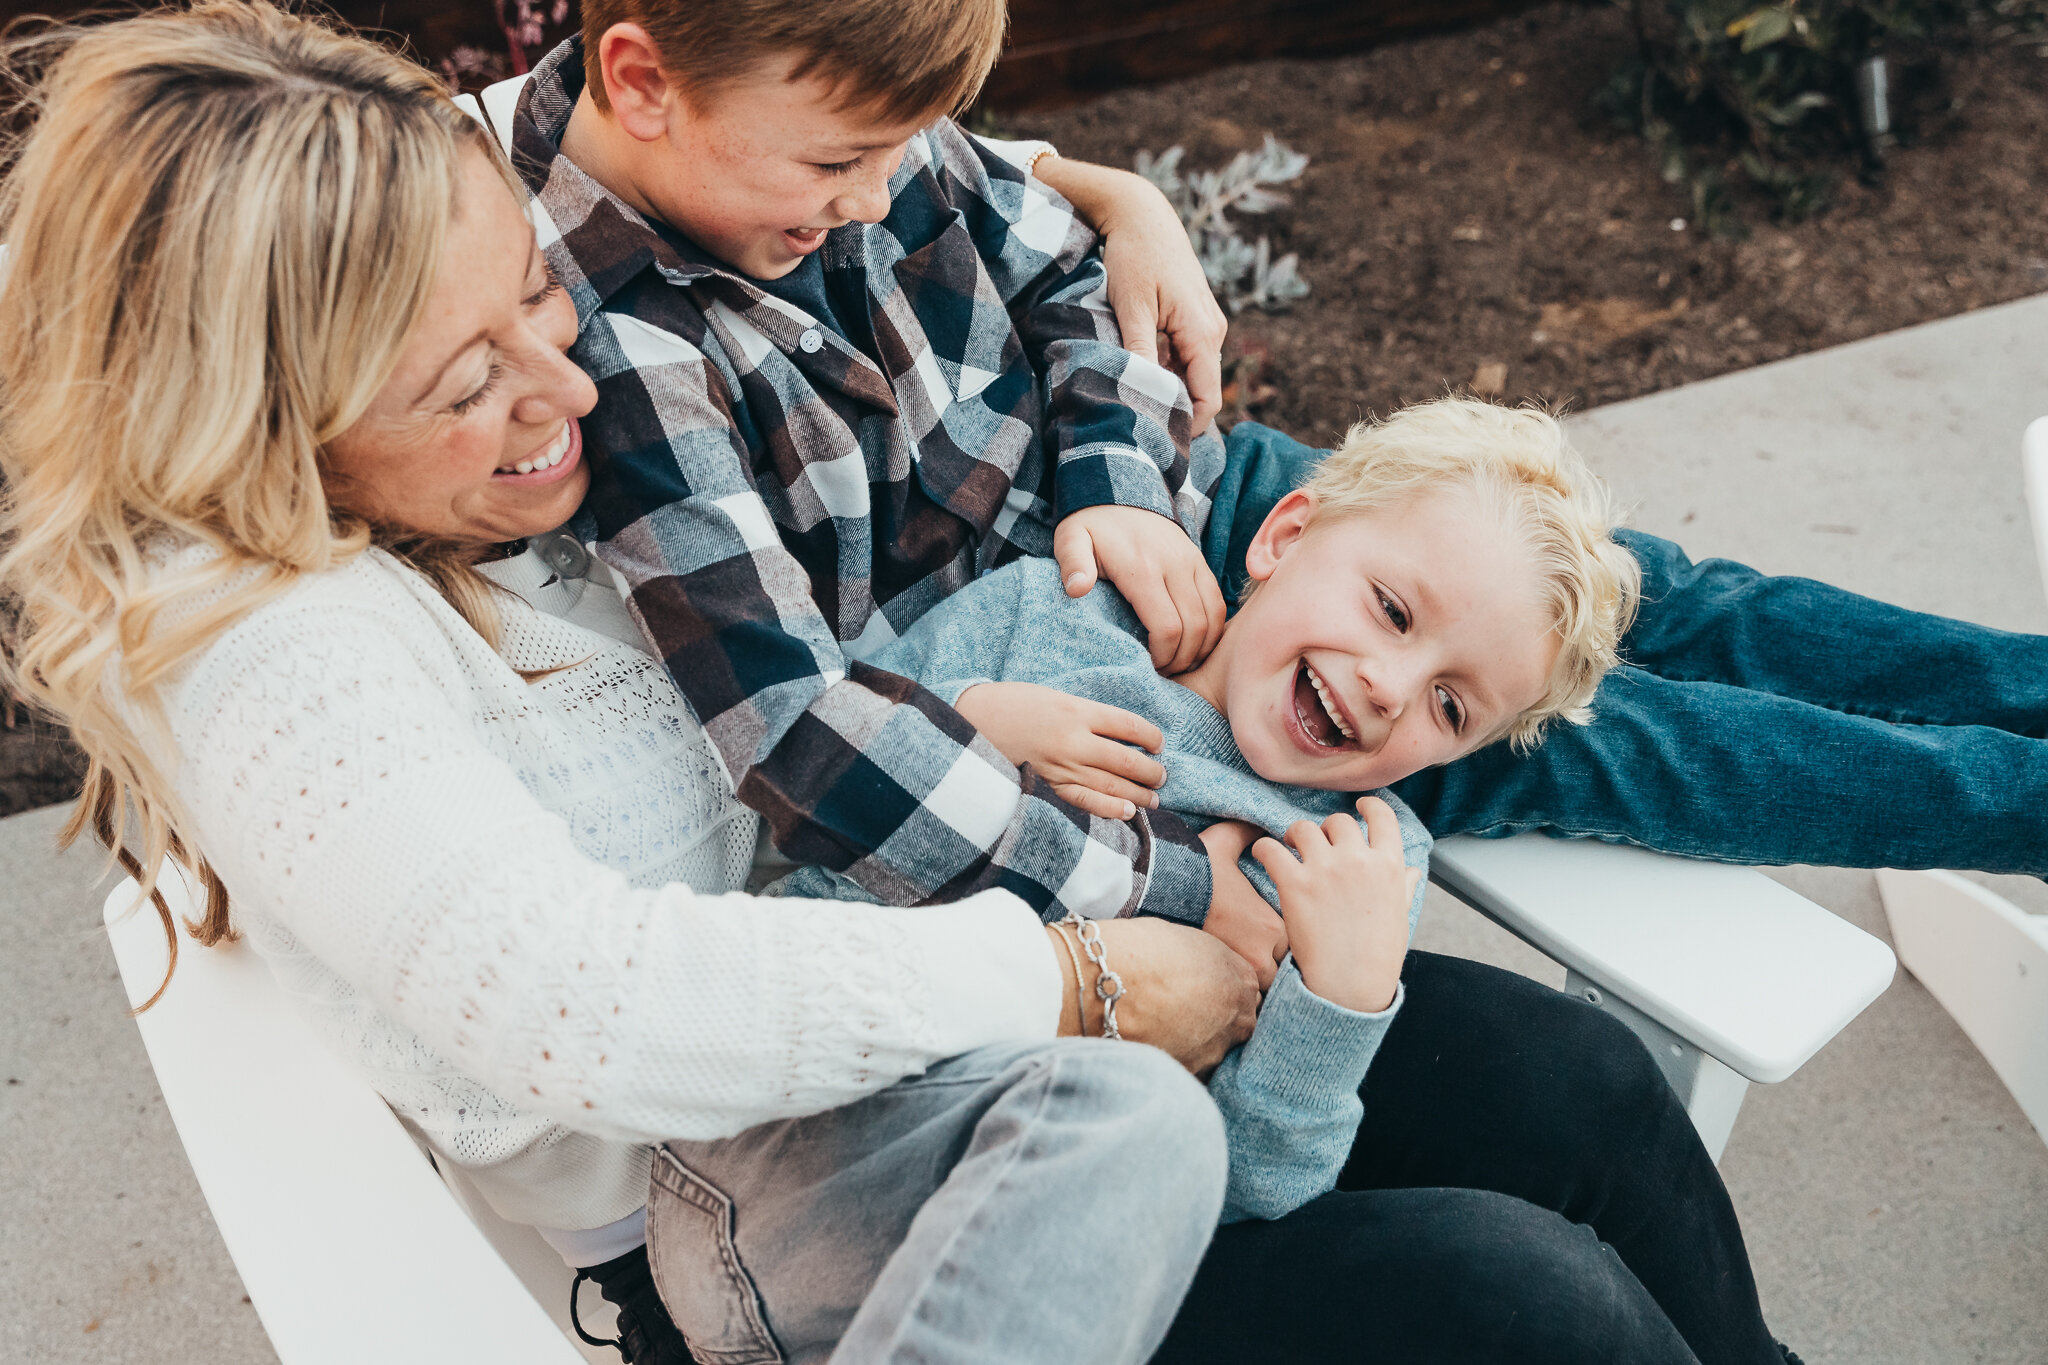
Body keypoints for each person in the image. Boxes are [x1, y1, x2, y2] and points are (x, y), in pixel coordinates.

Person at [518, 3, 1796, 1362]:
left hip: (1115, 752)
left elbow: (1076, 272)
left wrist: (1121, 496)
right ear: (643, 82)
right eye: (846, 163)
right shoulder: (619, 342)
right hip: (899, 1124)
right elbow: (806, 749)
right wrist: (1212, 899)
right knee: (1530, 1294)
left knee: (1584, 1073)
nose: (885, 192)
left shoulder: (837, 133)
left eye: (906, 145)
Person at [0, 8, 1260, 1365]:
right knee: (1230, 1170)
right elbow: (592, 1007)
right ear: (250, 415)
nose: (573, 386)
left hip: (874, 944)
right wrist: (1077, 974)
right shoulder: (271, 664)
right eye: (472, 377)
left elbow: (763, 134)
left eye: (537, 296)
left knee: (1497, 1130)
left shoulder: (430, 333)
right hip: (738, 1179)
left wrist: (1112, 196)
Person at [779, 396, 1639, 1226]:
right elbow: (804, 825)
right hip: (830, 1099)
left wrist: (1339, 1003)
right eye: (1392, 610)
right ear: (1285, 535)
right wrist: (972, 722)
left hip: (1052, 1211)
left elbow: (1244, 1191)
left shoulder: (1356, 869)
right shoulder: (1055, 614)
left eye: (1451, 708)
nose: (1391, 686)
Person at [1208, 419, 2048, 877]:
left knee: (1635, 590)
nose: (1393, 686)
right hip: (1177, 559)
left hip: (1190, 487)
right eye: (1391, 615)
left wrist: (1115, 195)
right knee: (1635, 739)